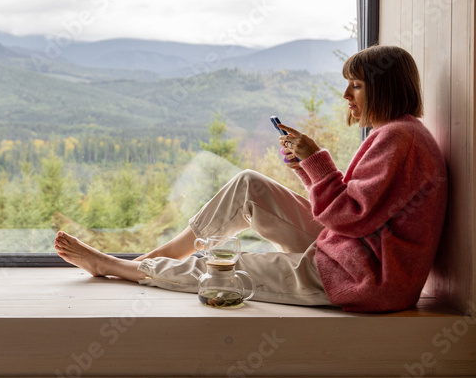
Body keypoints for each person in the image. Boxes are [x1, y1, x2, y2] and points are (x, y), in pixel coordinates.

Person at [54, 44, 448, 312]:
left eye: (357, 86)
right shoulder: (400, 133)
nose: (346, 95)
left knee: (226, 270)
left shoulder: (399, 139)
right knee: (249, 185)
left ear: (386, 88)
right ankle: (162, 256)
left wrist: (317, 163)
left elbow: (350, 215)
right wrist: (306, 166)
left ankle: (119, 268)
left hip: (364, 277)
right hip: (350, 249)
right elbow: (355, 211)